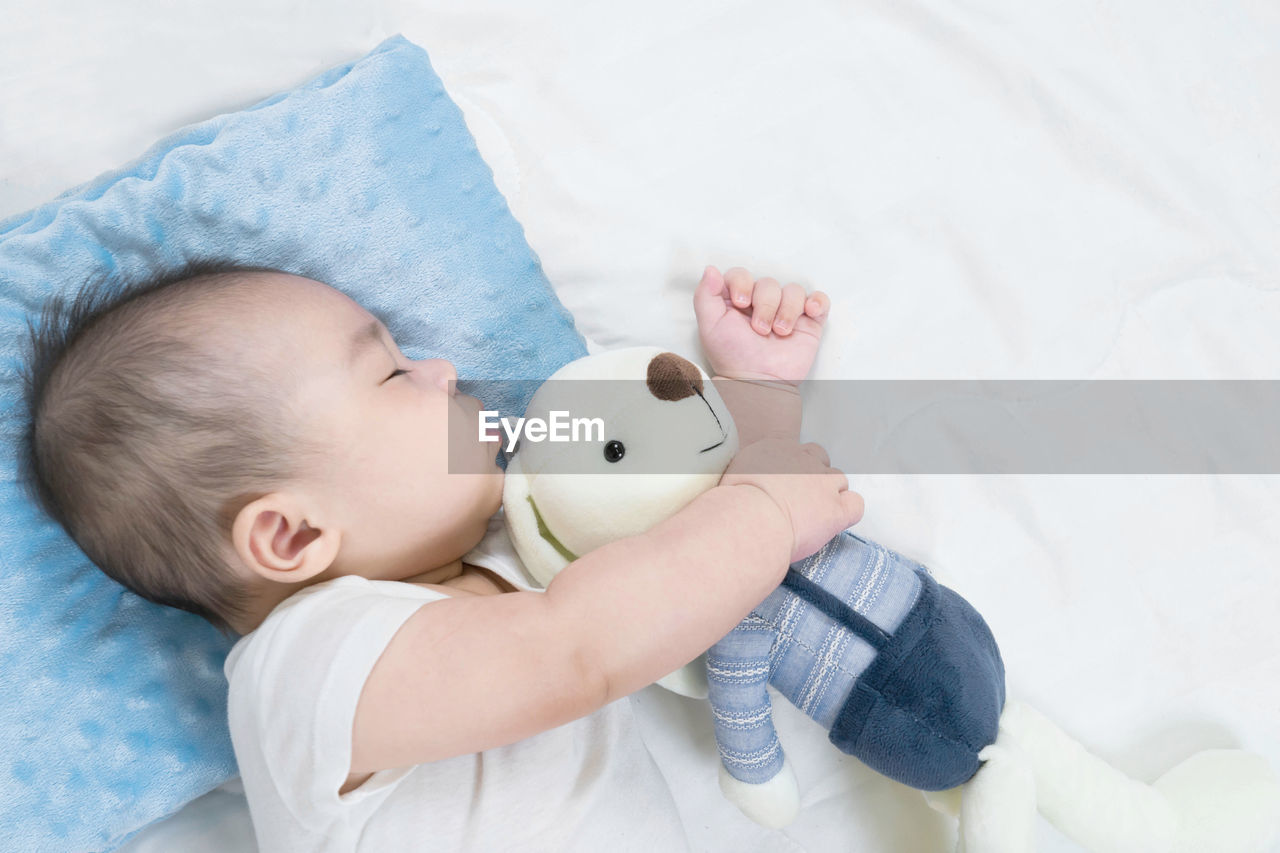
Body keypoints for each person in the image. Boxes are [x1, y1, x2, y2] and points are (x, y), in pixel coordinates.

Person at [21, 261, 862, 851]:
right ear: (292, 537)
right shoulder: (310, 665)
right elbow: (578, 649)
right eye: (391, 374)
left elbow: (695, 571)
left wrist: (757, 397)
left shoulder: (510, 559)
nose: (443, 369)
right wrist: (763, 515)